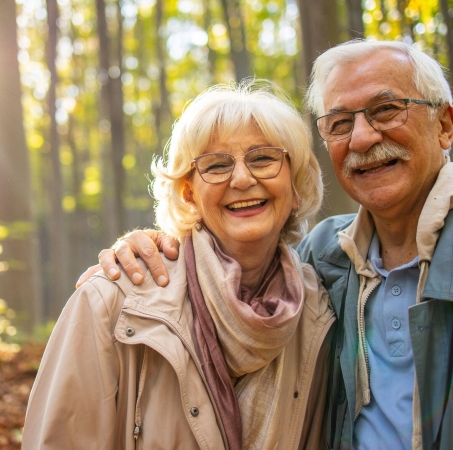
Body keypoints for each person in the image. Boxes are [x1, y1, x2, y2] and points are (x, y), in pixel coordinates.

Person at [89, 40, 453, 449]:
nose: (364, 137)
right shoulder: (321, 261)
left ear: (444, 125)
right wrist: (157, 243)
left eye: (386, 110)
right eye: (340, 122)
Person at [23, 81, 336, 449]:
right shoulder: (112, 302)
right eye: (216, 165)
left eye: (263, 158)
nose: (241, 178)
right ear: (189, 193)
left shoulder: (321, 309)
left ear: (295, 182)